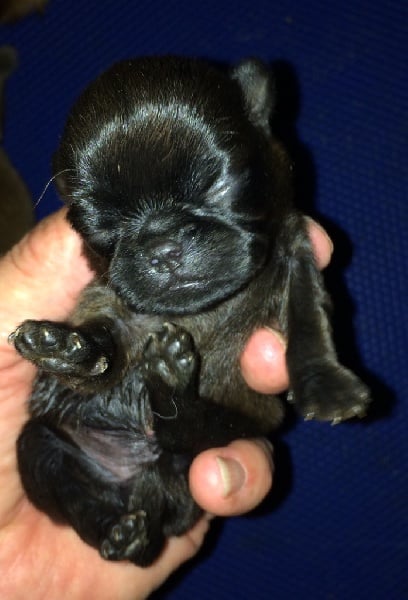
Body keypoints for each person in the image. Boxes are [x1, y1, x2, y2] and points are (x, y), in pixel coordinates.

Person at [0, 209, 332, 599]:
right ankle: (112, 528)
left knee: (192, 455)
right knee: (35, 446)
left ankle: (132, 516)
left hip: (164, 461)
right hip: (77, 436)